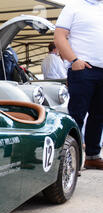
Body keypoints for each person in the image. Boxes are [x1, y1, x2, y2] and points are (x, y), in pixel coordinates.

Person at [54, 0, 103, 169]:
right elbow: (59, 36)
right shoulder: (73, 6)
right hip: (83, 69)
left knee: (98, 116)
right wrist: (74, 61)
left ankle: (92, 156)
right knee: (77, 115)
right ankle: (70, 159)